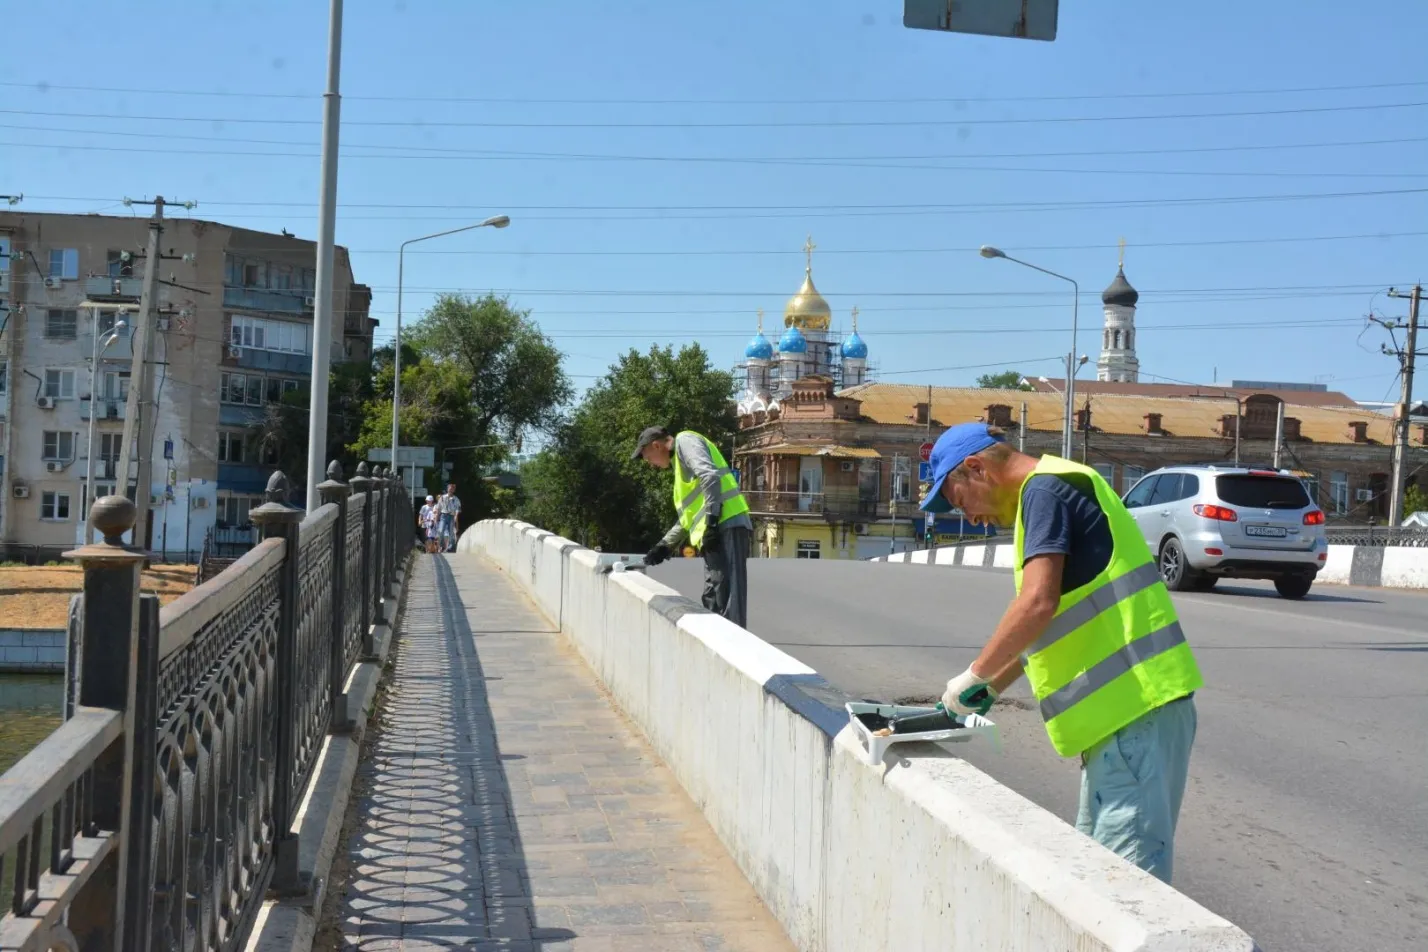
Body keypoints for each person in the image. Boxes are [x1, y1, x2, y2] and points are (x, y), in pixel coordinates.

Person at [921, 422, 1203, 884]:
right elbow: (1055, 621)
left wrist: (973, 675)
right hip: (1127, 723)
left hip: (1136, 716)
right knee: (1096, 881)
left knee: (1125, 893)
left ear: (976, 470)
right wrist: (990, 687)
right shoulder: (1056, 486)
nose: (968, 518)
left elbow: (1037, 603)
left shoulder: (1045, 492)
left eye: (959, 500)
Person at [632, 426, 752, 627]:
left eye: (647, 456)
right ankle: (715, 642)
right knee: (715, 593)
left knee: (729, 593)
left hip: (727, 523)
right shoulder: (680, 468)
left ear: (656, 445)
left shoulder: (685, 441)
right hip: (714, 531)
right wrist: (664, 546)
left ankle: (733, 647)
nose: (648, 462)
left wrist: (712, 522)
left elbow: (709, 476)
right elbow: (687, 519)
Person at [437, 483, 462, 553]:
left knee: (451, 533)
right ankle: (441, 546)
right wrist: (436, 518)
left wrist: (456, 516)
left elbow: (458, 509)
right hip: (443, 515)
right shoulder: (442, 497)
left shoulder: (456, 499)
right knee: (441, 531)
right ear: (447, 489)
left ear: (454, 490)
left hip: (451, 516)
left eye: (452, 489)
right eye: (449, 488)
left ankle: (450, 547)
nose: (450, 490)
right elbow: (439, 508)